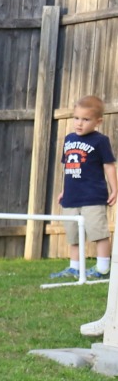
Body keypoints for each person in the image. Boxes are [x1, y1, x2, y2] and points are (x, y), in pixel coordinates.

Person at [50, 95, 117, 280]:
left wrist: (114, 189)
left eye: (86, 119)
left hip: (93, 196)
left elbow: (109, 165)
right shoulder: (69, 139)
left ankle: (103, 269)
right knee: (73, 234)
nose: (79, 123)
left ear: (98, 121)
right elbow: (69, 167)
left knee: (99, 232)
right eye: (76, 118)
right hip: (72, 197)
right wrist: (65, 190)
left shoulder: (100, 141)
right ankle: (74, 267)